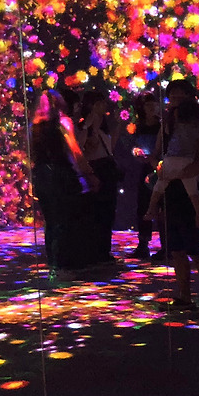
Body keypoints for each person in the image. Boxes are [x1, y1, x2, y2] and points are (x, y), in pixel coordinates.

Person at [157, 80, 199, 312]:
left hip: (188, 191)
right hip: (171, 190)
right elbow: (158, 153)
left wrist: (180, 172)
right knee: (176, 250)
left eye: (180, 97)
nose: (175, 102)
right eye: (172, 97)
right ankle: (184, 296)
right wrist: (161, 169)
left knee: (195, 250)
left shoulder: (197, 129)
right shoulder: (168, 126)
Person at [31, 90, 97, 280]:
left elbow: (31, 156)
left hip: (41, 176)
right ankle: (63, 265)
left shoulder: (34, 127)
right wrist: (88, 174)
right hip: (60, 175)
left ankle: (53, 265)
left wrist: (32, 180)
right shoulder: (63, 122)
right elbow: (74, 150)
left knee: (51, 222)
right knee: (64, 221)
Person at [144, 99, 199, 229]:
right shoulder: (197, 128)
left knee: (159, 186)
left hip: (170, 160)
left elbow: (164, 132)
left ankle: (151, 209)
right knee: (193, 191)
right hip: (186, 161)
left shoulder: (174, 126)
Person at [77, 89, 121, 268]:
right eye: (99, 103)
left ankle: (103, 251)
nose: (104, 106)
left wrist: (118, 126)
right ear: (92, 106)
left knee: (107, 211)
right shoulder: (85, 127)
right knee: (97, 211)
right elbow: (84, 149)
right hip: (96, 169)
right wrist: (89, 129)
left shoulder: (103, 127)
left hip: (107, 168)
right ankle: (96, 251)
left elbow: (110, 148)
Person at [128, 91, 164, 261]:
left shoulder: (162, 126)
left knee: (162, 207)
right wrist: (136, 152)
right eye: (147, 105)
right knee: (143, 206)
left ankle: (166, 246)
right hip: (144, 169)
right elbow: (133, 146)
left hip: (161, 169)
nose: (150, 108)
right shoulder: (139, 126)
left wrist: (154, 158)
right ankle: (143, 244)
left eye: (153, 104)